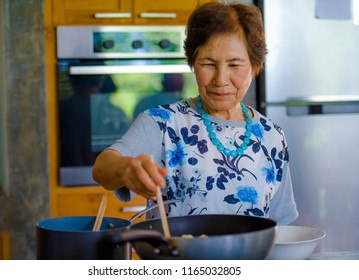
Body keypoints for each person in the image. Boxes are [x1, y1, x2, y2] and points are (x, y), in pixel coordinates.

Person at [92, 2, 298, 224]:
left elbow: (280, 227)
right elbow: (102, 168)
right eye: (208, 64)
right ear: (193, 63)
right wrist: (126, 168)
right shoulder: (163, 123)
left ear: (255, 66)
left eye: (235, 65)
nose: (220, 80)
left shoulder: (272, 136)